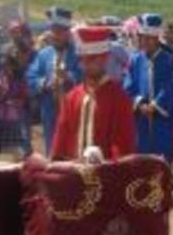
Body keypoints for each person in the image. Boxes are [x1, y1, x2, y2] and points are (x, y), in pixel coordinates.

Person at [51, 25, 135, 161]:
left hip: (105, 176)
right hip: (74, 175)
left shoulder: (120, 98)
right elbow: (61, 140)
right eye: (84, 59)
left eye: (93, 59)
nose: (87, 64)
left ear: (104, 59)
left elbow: (123, 146)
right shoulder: (71, 98)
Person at [26, 6, 82, 154]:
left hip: (73, 110)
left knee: (73, 148)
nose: (55, 35)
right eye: (53, 31)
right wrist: (45, 83)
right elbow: (30, 76)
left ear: (67, 32)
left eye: (59, 31)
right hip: (49, 110)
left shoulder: (78, 54)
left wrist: (69, 77)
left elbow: (85, 76)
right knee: (52, 147)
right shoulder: (43, 54)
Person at [124, 13, 173, 163]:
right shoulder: (135, 59)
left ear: (156, 39)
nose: (143, 41)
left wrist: (155, 105)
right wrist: (139, 103)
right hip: (140, 116)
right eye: (141, 37)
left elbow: (169, 86)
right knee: (140, 153)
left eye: (147, 38)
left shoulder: (167, 60)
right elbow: (129, 85)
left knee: (160, 155)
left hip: (160, 116)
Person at [0, 50, 31, 156]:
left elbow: (24, 95)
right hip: (2, 116)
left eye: (7, 65)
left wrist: (17, 101)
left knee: (19, 144)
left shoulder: (20, 79)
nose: (5, 68)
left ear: (13, 66)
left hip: (16, 116)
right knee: (3, 145)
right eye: (3, 66)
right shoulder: (0, 78)